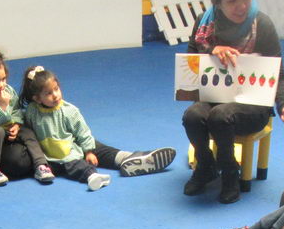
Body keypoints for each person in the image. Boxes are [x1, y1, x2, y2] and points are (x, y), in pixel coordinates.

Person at [0, 11, 174, 178]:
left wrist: (13, 121)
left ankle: (123, 157)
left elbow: (6, 96)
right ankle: (66, 160)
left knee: (56, 120)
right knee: (17, 162)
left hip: (10, 125)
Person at [182, 0, 284, 204]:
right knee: (192, 115)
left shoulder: (262, 24)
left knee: (220, 116)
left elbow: (277, 72)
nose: (241, 6)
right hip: (215, 96)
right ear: (217, 2)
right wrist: (212, 50)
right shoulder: (204, 24)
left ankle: (230, 172)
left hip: (253, 105)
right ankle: (205, 166)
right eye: (231, 0)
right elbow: (190, 64)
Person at [20, 66, 177, 190]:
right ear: (37, 98)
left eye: (56, 89)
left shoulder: (68, 110)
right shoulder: (33, 111)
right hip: (52, 158)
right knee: (80, 160)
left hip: (70, 150)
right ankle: (125, 159)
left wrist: (88, 150)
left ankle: (131, 158)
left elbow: (83, 132)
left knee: (89, 152)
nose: (55, 95)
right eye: (48, 93)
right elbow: (24, 124)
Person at [0, 50, 52, 185]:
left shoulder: (8, 91)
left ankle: (41, 164)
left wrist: (17, 125)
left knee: (27, 132)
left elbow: (17, 110)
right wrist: (2, 106)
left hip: (7, 128)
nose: (1, 84)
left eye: (3, 79)